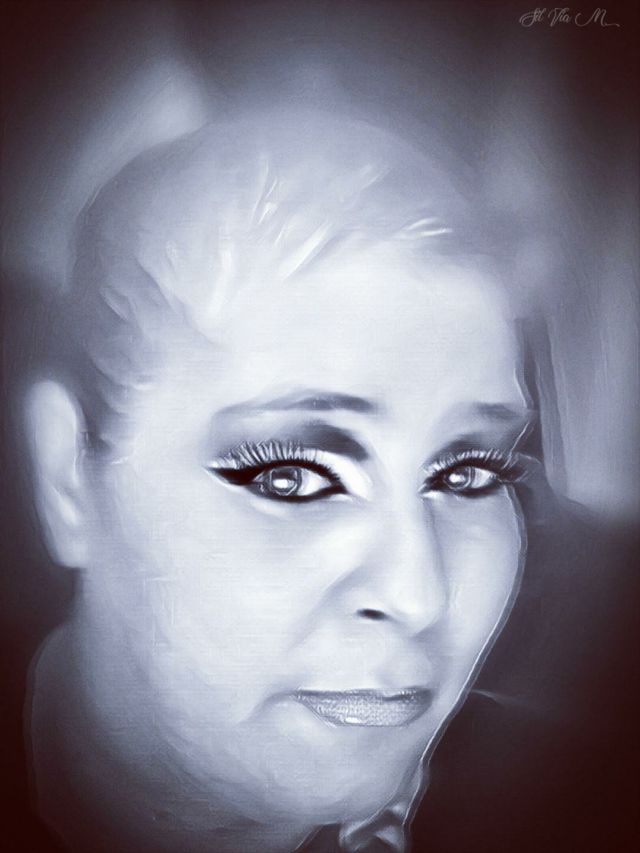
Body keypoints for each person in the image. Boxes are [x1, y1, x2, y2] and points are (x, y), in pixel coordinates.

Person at [20, 108, 558, 852]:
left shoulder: (583, 799)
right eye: (292, 478)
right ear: (68, 479)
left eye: (468, 474)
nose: (419, 596)